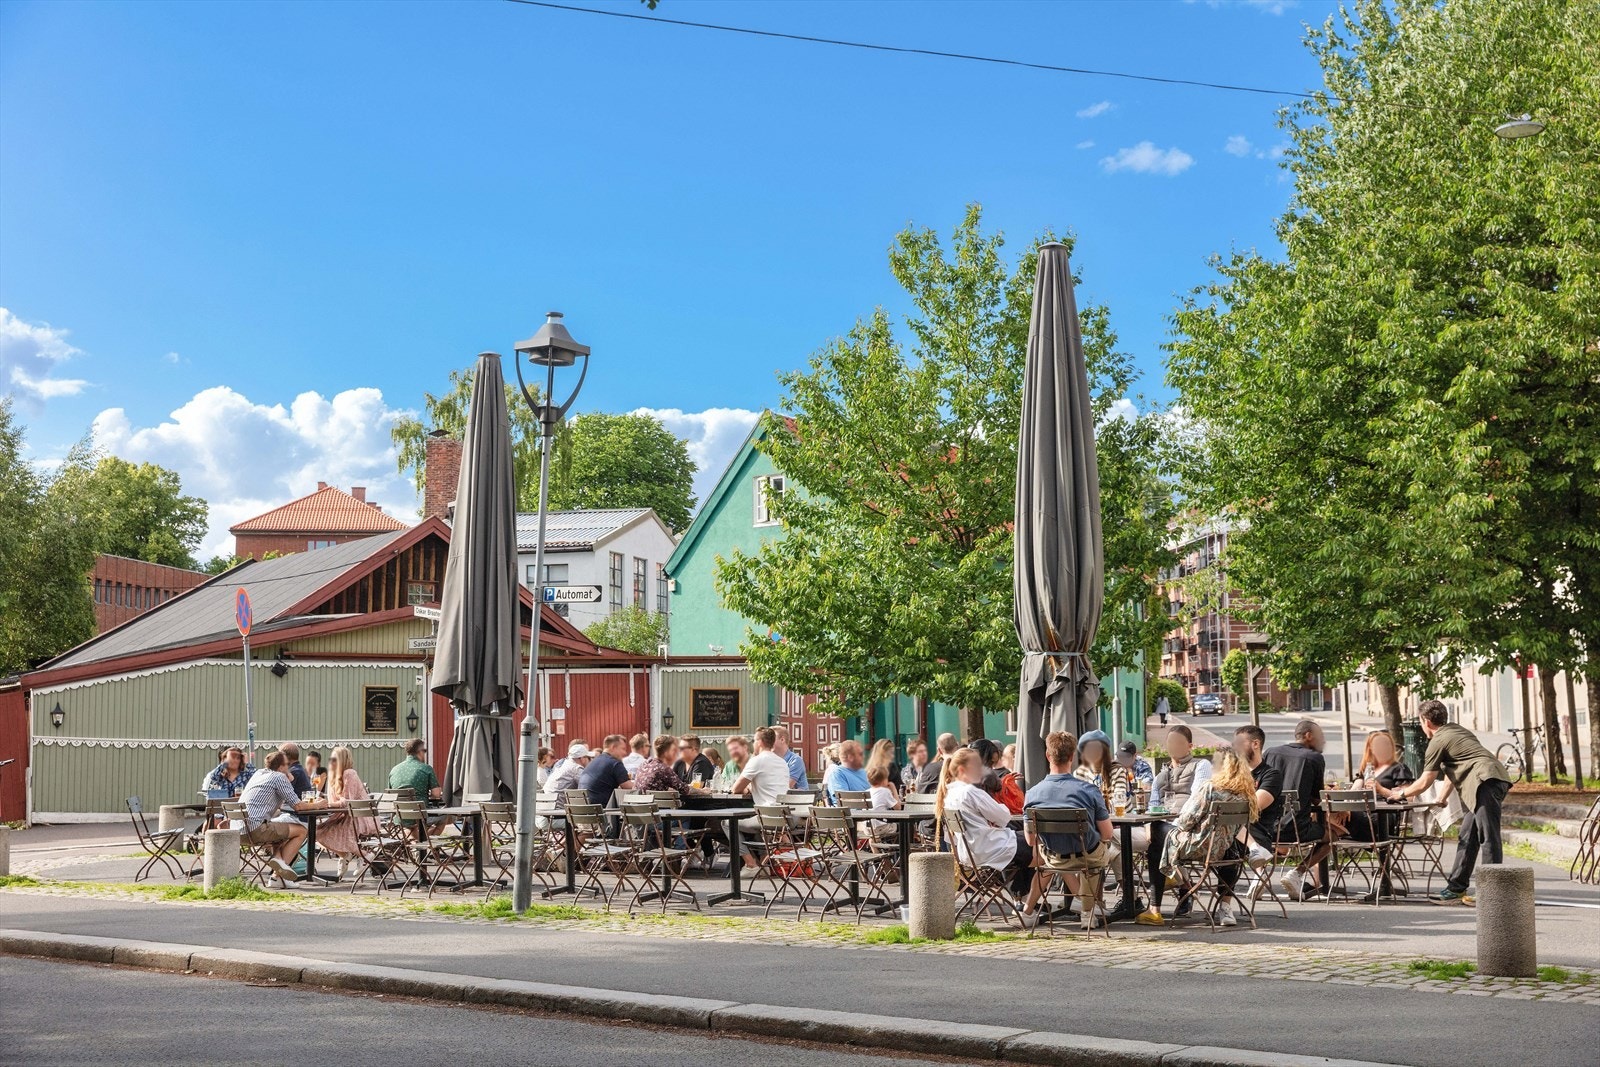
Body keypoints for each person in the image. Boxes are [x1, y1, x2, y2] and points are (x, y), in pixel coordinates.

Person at [1390, 700, 1512, 906]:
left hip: (1485, 782)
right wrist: (1442, 797)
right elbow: (1453, 771)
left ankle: (1491, 893)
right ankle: (1456, 888)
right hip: (1489, 780)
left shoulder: (1437, 741)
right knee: (1468, 836)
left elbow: (1425, 780)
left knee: (1488, 836)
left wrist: (1401, 794)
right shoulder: (1457, 731)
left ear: (1426, 721)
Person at [1021, 731, 1113, 930]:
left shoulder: (1032, 794)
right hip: (1087, 857)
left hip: (1054, 857)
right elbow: (1107, 834)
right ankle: (1087, 912)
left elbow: (1031, 841)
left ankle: (1027, 912)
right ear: (1072, 757)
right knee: (1100, 855)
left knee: (1046, 862)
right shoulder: (1089, 791)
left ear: (1048, 755)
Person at [1160, 749, 1258, 927]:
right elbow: (1241, 826)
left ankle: (1173, 883)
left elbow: (1185, 821)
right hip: (1225, 850)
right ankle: (1225, 907)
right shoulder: (1246, 794)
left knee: (1159, 831)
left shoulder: (1210, 788)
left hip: (1198, 847)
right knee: (1231, 850)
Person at [936, 747, 1035, 912]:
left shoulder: (949, 793)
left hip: (968, 851)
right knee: (1041, 850)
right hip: (989, 848)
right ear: (962, 770)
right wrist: (1000, 810)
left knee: (1027, 844)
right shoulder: (970, 792)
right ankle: (1029, 905)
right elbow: (1003, 817)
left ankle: (1023, 898)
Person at [1267, 719, 1332, 901]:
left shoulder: (1270, 753)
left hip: (1266, 829)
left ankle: (1259, 878)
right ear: (1308, 736)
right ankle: (1297, 873)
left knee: (1262, 842)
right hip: (1297, 829)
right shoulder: (1314, 758)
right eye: (1320, 736)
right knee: (1331, 838)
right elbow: (1317, 798)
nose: (1323, 741)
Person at [238, 750, 316, 888]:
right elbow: (298, 806)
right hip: (256, 830)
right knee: (301, 831)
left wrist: (289, 776)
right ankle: (280, 872)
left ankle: (277, 869)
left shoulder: (259, 773)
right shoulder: (278, 777)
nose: (289, 766)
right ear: (281, 767)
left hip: (238, 831)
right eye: (287, 764)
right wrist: (319, 804)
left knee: (279, 829)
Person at [316, 746, 379, 880]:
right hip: (344, 815)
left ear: (342, 760)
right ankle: (344, 855)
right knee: (316, 833)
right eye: (331, 759)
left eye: (335, 759)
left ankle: (365, 855)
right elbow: (333, 802)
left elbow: (348, 801)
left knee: (343, 834)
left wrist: (327, 804)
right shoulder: (332, 776)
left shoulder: (350, 773)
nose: (331, 761)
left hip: (360, 816)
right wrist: (324, 800)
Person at [730, 727, 791, 865]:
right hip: (785, 816)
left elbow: (735, 789)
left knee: (727, 823)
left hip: (768, 817)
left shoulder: (757, 760)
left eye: (754, 741)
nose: (753, 744)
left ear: (760, 742)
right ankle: (765, 863)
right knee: (758, 824)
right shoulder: (782, 762)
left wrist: (746, 790)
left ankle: (751, 864)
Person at [1348, 729, 1417, 844]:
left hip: (1383, 818)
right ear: (1370, 748)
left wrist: (1381, 789)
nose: (1383, 748)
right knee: (1335, 815)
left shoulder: (1399, 769)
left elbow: (1410, 798)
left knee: (1344, 818)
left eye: (1386, 744)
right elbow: (1352, 794)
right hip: (1363, 813)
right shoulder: (1366, 770)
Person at [1151, 724, 1212, 811]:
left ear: (1190, 746)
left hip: (1188, 818)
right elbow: (1153, 807)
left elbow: (1198, 799)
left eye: (1179, 743)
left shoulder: (1201, 765)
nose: (1174, 746)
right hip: (1163, 818)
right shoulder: (1159, 777)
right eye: (1170, 742)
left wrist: (1179, 819)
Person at [579, 734, 635, 808]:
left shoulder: (593, 762)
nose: (625, 753)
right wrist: (643, 785)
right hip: (600, 810)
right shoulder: (615, 763)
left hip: (582, 809)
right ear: (613, 747)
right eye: (623, 749)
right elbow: (629, 787)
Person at [633, 735, 689, 800]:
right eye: (674, 750)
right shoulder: (664, 769)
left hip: (637, 804)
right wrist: (699, 790)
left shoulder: (643, 765)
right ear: (666, 752)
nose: (676, 753)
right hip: (656, 806)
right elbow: (685, 790)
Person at [864, 765, 900, 840]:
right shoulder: (885, 791)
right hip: (881, 828)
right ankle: (902, 846)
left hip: (867, 829)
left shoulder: (866, 792)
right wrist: (894, 789)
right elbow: (898, 808)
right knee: (905, 825)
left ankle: (875, 844)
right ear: (884, 780)